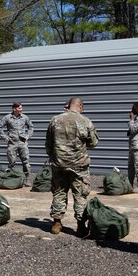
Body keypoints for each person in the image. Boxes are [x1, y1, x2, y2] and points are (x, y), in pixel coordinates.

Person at [45, 97, 99, 236]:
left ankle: (56, 223)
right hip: (78, 165)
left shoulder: (55, 120)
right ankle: (81, 226)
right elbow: (93, 143)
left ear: (69, 105)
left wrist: (55, 157)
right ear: (81, 106)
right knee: (80, 194)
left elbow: (48, 144)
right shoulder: (85, 121)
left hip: (59, 164)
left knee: (59, 192)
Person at [0, 102, 33, 186]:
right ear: (14, 109)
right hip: (12, 143)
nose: (22, 109)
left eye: (21, 108)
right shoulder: (7, 117)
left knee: (26, 162)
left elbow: (31, 127)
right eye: (20, 108)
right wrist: (5, 138)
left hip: (22, 143)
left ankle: (27, 180)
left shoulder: (25, 117)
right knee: (11, 162)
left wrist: (28, 136)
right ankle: (11, 180)